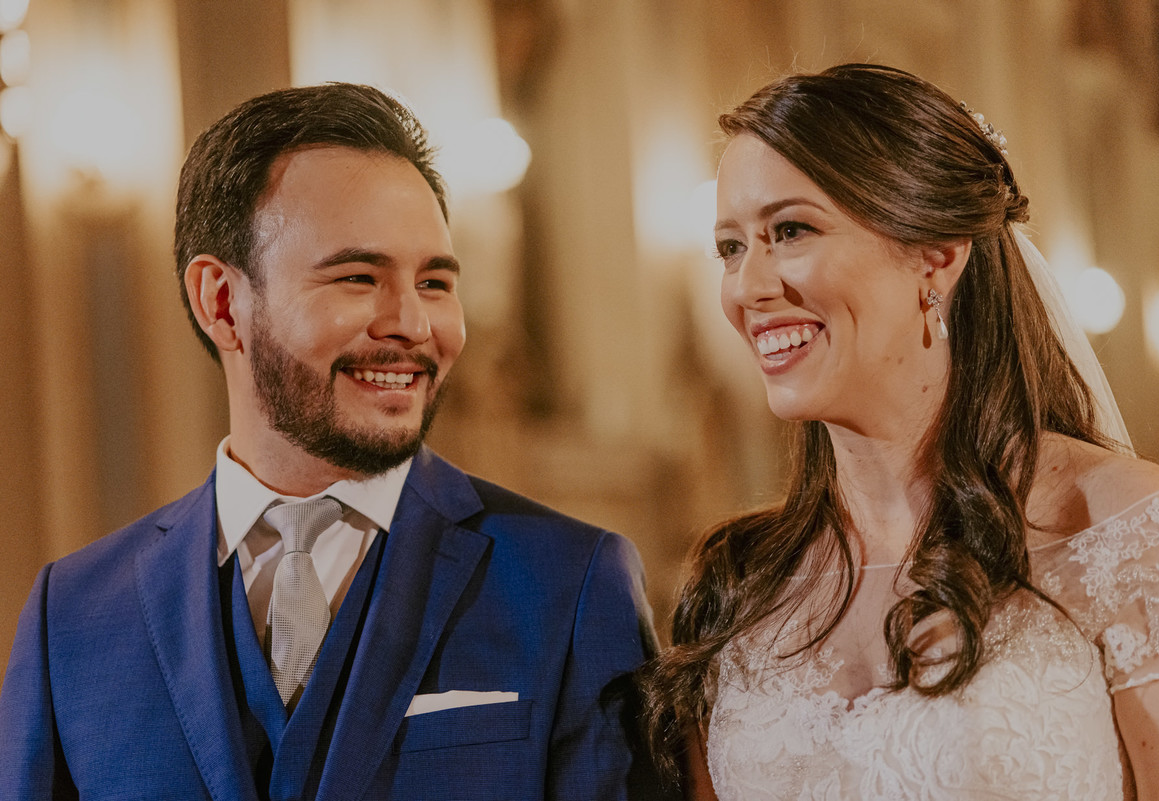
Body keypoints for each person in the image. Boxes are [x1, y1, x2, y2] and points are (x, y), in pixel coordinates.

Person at [0, 82, 666, 800]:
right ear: (222, 301)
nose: (413, 323)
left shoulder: (573, 583)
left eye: (436, 281)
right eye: (359, 277)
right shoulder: (72, 617)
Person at [643, 64, 1159, 800]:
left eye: (790, 230)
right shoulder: (738, 585)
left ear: (936, 256)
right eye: (731, 246)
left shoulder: (1126, 531)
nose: (748, 286)